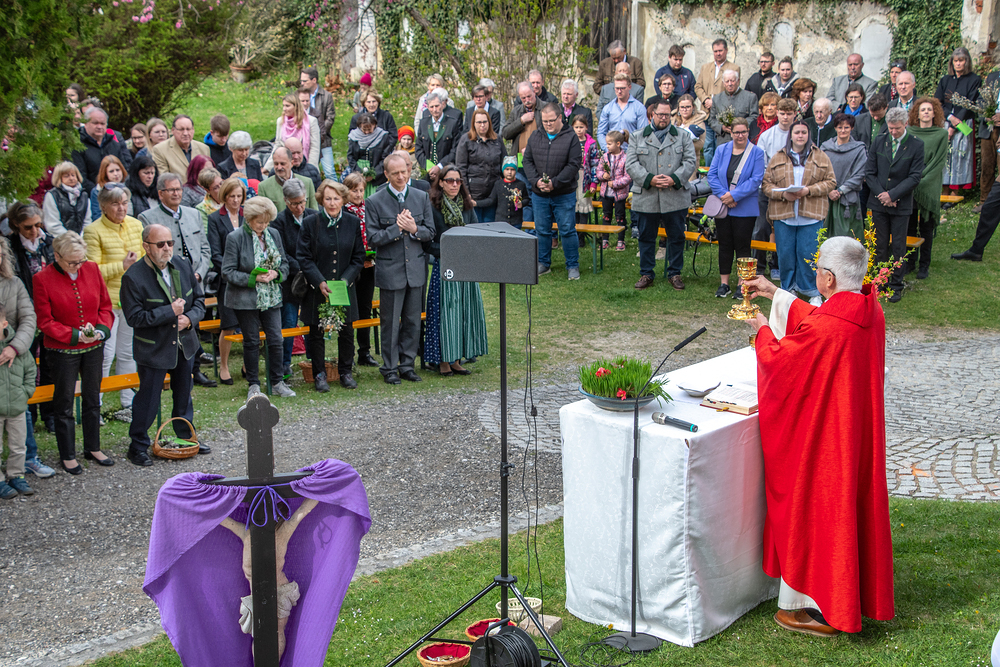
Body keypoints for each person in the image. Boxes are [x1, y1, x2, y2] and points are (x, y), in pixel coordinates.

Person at [742, 235, 894, 638]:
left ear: (828, 278)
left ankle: (819, 608)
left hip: (827, 440)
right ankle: (848, 593)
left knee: (820, 511)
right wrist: (775, 293)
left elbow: (781, 361)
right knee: (848, 509)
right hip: (854, 432)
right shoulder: (869, 309)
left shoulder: (830, 326)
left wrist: (762, 332)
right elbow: (820, 320)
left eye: (818, 271)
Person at [120, 223, 208, 467]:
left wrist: (189, 319)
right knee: (148, 400)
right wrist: (170, 312)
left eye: (170, 243)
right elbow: (134, 318)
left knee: (184, 395)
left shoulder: (182, 264)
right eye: (160, 244)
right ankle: (137, 446)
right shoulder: (133, 277)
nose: (167, 248)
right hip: (154, 347)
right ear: (146, 246)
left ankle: (185, 438)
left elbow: (199, 301)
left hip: (184, 343)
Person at [33, 231, 114, 473]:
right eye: (72, 262)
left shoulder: (92, 268)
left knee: (92, 398)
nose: (78, 266)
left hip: (93, 347)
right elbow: (45, 321)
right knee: (64, 402)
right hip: (62, 350)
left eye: (81, 260)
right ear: (57, 256)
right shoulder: (42, 279)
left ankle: (93, 447)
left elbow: (105, 306)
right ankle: (67, 454)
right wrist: (75, 335)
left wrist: (101, 330)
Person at [138, 172, 216, 387]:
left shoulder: (194, 214)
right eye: (171, 190)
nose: (176, 193)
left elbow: (205, 249)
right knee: (172, 325)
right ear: (160, 193)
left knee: (193, 323)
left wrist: (198, 273)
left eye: (179, 189)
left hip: (195, 279)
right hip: (167, 283)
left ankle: (194, 370)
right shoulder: (147, 217)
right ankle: (168, 369)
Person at [365, 153, 435, 384]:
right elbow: (372, 239)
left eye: (404, 171)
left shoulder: (421, 196)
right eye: (395, 173)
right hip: (390, 270)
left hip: (415, 269)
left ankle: (407, 365)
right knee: (390, 323)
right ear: (386, 174)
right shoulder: (374, 201)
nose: (401, 177)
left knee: (413, 321)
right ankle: (389, 367)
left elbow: (430, 232)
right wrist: (397, 228)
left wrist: (414, 229)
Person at [3, 203, 57, 475]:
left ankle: (49, 414)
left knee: (49, 366)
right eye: (28, 227)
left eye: (38, 225)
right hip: (20, 316)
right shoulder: (10, 247)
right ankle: (31, 416)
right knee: (27, 373)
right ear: (16, 226)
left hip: (47, 311)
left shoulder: (48, 242)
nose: (35, 231)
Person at [221, 196, 294, 398]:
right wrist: (253, 278)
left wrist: (276, 274)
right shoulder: (235, 238)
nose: (263, 226)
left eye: (266, 222)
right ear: (249, 218)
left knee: (276, 338)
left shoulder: (274, 234)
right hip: (245, 299)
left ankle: (277, 382)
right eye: (259, 222)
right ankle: (253, 384)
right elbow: (227, 271)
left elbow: (284, 263)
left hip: (271, 296)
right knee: (252, 341)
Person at [297, 180, 366, 392]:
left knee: (346, 330)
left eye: (336, 198)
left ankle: (345, 372)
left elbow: (359, 256)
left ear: (343, 199)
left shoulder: (353, 222)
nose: (333, 203)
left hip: (344, 287)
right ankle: (319, 374)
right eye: (328, 199)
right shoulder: (310, 223)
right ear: (321, 200)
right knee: (316, 332)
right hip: (317, 287)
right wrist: (319, 281)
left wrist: (346, 280)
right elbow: (303, 257)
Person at [83, 186, 144, 417]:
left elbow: (144, 259)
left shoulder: (136, 225)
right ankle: (95, 406)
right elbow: (91, 270)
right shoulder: (93, 231)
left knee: (128, 352)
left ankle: (128, 402)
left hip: (131, 299)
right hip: (106, 303)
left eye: (125, 203)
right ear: (103, 206)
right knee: (105, 355)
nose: (121, 208)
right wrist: (122, 266)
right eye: (116, 204)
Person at [762, 120, 837, 305]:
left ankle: (812, 291)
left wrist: (808, 190)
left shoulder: (820, 156)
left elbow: (831, 182)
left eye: (804, 132)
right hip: (784, 215)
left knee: (808, 255)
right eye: (797, 132)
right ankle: (789, 289)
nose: (800, 136)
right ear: (791, 135)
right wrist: (783, 194)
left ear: (808, 134)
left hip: (810, 215)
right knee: (786, 254)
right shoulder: (778, 157)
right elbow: (766, 185)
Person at [626, 99, 697, 290]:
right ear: (652, 115)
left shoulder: (683, 136)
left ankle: (675, 273)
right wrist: (649, 179)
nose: (664, 118)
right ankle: (646, 273)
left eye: (667, 115)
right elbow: (631, 164)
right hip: (647, 195)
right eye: (660, 115)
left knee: (677, 236)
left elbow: (690, 161)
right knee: (646, 237)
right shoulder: (637, 136)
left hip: (675, 195)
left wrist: (674, 179)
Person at [424, 167, 488, 376]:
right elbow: (428, 242)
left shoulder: (467, 206)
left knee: (463, 312)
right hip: (445, 265)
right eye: (450, 180)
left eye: (458, 181)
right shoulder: (433, 206)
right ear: (441, 182)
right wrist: (449, 251)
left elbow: (476, 232)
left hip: (466, 265)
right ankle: (443, 360)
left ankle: (457, 359)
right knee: (445, 313)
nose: (454, 184)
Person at [865, 107, 925, 303]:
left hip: (901, 203)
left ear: (905, 124)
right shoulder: (879, 141)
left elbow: (915, 176)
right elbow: (870, 172)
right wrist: (882, 195)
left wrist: (893, 194)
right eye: (890, 128)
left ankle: (896, 284)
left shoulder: (916, 145)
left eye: (897, 128)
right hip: (879, 202)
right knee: (880, 245)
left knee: (898, 245)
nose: (893, 132)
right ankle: (880, 282)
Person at [708, 117, 766, 299]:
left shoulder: (756, 152)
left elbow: (756, 179)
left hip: (745, 206)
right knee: (725, 244)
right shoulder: (721, 150)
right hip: (724, 206)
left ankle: (743, 284)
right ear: (731, 133)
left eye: (744, 132)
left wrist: (734, 196)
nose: (740, 135)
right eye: (737, 132)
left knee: (742, 245)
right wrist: (724, 196)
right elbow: (712, 175)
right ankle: (724, 283)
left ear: (748, 132)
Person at [525, 103, 584, 280]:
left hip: (563, 193)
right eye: (544, 121)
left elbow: (574, 164)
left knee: (567, 230)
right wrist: (536, 181)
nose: (548, 124)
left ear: (560, 118)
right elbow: (527, 161)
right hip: (540, 194)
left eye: (551, 120)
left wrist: (554, 183)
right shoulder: (535, 136)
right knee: (542, 229)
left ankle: (572, 265)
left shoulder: (571, 137)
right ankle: (543, 263)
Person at [206, 178, 247, 386]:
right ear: (225, 196)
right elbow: (215, 253)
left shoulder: (247, 215)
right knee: (228, 325)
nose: (236, 200)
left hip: (247, 278)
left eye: (239, 196)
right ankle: (223, 365)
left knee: (249, 324)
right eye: (232, 196)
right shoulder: (215, 219)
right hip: (227, 280)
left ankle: (247, 365)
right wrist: (232, 271)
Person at [904, 98, 949, 280]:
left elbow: (938, 161)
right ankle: (910, 262)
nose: (926, 113)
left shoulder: (941, 134)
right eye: (923, 110)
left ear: (934, 113)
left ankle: (924, 264)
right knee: (910, 225)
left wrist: (920, 179)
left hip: (929, 184)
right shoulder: (909, 132)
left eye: (929, 110)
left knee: (926, 227)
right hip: (911, 184)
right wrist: (912, 179)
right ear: (917, 113)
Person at [754, 97, 799, 276]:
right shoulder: (767, 136)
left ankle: (778, 265)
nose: (785, 117)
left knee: (784, 229)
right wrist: (771, 182)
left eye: (789, 114)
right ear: (777, 114)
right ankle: (758, 267)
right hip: (767, 188)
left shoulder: (799, 135)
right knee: (761, 228)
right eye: (782, 113)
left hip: (790, 189)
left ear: (795, 115)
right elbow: (760, 163)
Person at [0, 300, 37, 498]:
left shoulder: (18, 346)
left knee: (18, 445)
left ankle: (16, 475)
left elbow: (31, 371)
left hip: (17, 405)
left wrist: (26, 393)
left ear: (4, 324)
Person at [341, 172, 378, 368]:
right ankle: (347, 353)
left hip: (368, 266)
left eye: (361, 190)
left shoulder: (368, 209)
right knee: (349, 311)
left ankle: (365, 351)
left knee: (365, 308)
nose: (358, 194)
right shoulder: (343, 212)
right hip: (350, 267)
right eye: (354, 190)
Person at [937, 47, 981, 193]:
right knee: (945, 155)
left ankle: (956, 191)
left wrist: (955, 124)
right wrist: (950, 118)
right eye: (955, 61)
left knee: (960, 155)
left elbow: (970, 104)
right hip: (945, 121)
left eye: (961, 60)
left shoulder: (974, 80)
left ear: (966, 61)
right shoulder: (945, 80)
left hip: (964, 122)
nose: (958, 64)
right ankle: (944, 190)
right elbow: (938, 102)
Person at [820, 113, 867, 240]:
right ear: (835, 128)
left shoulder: (859, 149)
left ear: (852, 128)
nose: (843, 130)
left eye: (846, 127)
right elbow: (818, 171)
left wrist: (840, 191)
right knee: (825, 237)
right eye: (840, 127)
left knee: (846, 238)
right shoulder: (825, 148)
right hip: (826, 198)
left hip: (847, 200)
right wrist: (829, 190)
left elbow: (859, 174)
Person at [695, 38, 740, 168]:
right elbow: (698, 86)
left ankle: (721, 171)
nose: (718, 54)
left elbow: (733, 89)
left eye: (720, 51)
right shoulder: (705, 67)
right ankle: (709, 172)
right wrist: (705, 100)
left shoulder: (734, 68)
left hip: (723, 115)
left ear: (726, 50)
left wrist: (715, 103)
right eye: (715, 51)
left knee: (722, 146)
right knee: (708, 146)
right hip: (707, 113)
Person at [456, 108, 505, 223]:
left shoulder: (497, 139)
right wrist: (466, 194)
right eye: (479, 122)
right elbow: (461, 168)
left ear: (489, 122)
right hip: (473, 195)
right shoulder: (466, 140)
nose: (482, 125)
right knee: (475, 228)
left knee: (490, 228)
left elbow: (504, 164)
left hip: (493, 194)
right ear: (474, 123)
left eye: (485, 122)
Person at [72, 106, 133, 194]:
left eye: (102, 123)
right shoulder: (77, 146)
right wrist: (100, 193)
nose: (99, 126)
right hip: (91, 195)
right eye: (95, 123)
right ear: (85, 123)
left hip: (117, 193)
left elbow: (124, 171)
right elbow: (81, 178)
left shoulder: (114, 145)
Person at [416, 89, 464, 183]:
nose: (435, 109)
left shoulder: (452, 123)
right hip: (428, 173)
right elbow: (418, 148)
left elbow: (455, 149)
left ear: (442, 104)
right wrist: (429, 167)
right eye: (431, 107)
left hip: (447, 172)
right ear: (428, 107)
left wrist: (439, 166)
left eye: (437, 106)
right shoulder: (423, 123)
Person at [570, 114, 602, 243]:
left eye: (581, 127)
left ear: (586, 128)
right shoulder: (570, 141)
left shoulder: (592, 144)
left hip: (585, 177)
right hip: (572, 177)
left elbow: (595, 164)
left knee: (584, 204)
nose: (579, 130)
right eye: (576, 127)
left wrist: (594, 183)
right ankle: (574, 234)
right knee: (574, 204)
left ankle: (582, 236)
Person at [300, 67, 337, 178]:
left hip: (323, 140)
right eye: (301, 81)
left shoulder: (326, 96)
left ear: (314, 80)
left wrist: (318, 134)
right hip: (304, 140)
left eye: (305, 81)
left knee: (330, 172)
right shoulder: (300, 95)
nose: (302, 83)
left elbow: (330, 118)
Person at [267, 94, 320, 172]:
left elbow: (314, 147)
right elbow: (278, 145)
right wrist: (267, 167)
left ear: (296, 107)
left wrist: (311, 168)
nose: (284, 109)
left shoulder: (311, 121)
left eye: (287, 106)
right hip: (286, 166)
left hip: (304, 165)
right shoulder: (280, 121)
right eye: (283, 105)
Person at [709, 70, 759, 149]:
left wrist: (739, 126)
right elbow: (712, 120)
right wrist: (722, 127)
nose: (730, 84)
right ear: (723, 83)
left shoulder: (750, 97)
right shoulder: (717, 99)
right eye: (727, 81)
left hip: (743, 139)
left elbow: (755, 116)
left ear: (738, 81)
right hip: (723, 140)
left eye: (732, 81)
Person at [598, 130, 631, 251]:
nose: (607, 146)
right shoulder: (604, 157)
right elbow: (598, 170)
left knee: (620, 216)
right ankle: (605, 239)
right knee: (606, 215)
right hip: (606, 193)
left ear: (618, 144)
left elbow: (628, 177)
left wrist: (615, 184)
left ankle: (621, 240)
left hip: (619, 194)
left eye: (609, 144)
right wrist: (603, 176)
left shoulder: (625, 158)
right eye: (606, 143)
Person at [597, 73, 648, 151]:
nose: (619, 91)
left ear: (629, 87)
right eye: (617, 88)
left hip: (631, 151)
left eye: (622, 88)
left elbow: (643, 134)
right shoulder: (608, 108)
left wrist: (633, 151)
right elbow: (601, 133)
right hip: (611, 153)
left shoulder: (639, 108)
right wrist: (607, 149)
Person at [257, 147, 317, 213]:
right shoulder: (264, 187)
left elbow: (315, 212)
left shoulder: (307, 183)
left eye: (282, 164)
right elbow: (262, 215)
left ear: (292, 163)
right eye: (276, 164)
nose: (279, 167)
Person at [347, 113, 394, 196]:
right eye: (364, 129)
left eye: (369, 129)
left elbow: (385, 158)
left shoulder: (383, 136)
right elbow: (350, 156)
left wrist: (374, 174)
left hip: (377, 173)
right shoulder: (353, 136)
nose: (367, 132)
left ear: (374, 125)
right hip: (358, 172)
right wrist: (358, 173)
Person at [42, 162, 92, 235]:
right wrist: (71, 238)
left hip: (81, 238)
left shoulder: (84, 195)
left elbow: (87, 221)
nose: (71, 178)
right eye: (66, 176)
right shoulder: (52, 195)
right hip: (60, 238)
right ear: (59, 178)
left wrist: (81, 237)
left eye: (73, 175)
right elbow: (52, 225)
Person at [977, 65, 1000, 212]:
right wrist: (987, 115)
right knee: (987, 166)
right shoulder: (992, 77)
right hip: (988, 129)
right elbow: (980, 100)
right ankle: (984, 201)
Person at [483, 157, 529, 228]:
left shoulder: (521, 184)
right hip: (501, 221)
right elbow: (491, 200)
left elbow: (527, 199)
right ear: (503, 170)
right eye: (507, 169)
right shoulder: (498, 184)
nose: (509, 172)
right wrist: (476, 203)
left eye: (512, 169)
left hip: (516, 221)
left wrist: (522, 203)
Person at [673, 94, 707, 169]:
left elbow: (700, 144)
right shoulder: (672, 120)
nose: (685, 110)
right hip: (672, 161)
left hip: (689, 162)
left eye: (688, 107)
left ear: (693, 107)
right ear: (678, 108)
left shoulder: (699, 122)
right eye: (682, 107)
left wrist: (679, 145)